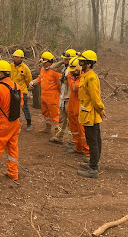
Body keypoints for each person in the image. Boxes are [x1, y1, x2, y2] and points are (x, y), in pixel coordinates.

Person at [77, 50, 106, 179]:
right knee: (95, 140)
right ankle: (93, 163)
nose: (80, 63)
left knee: (93, 141)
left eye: (82, 62)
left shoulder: (91, 78)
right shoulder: (86, 75)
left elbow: (95, 99)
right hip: (87, 114)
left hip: (91, 115)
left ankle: (93, 168)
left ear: (88, 64)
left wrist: (101, 111)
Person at [28, 51, 61, 139]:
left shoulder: (55, 72)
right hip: (44, 95)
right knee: (45, 113)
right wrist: (34, 82)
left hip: (53, 97)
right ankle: (48, 127)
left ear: (49, 62)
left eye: (44, 62)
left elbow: (60, 86)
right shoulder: (43, 69)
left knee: (54, 114)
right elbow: (40, 78)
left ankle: (57, 132)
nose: (42, 64)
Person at [49, 49, 78, 145]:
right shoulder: (65, 68)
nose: (64, 60)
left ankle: (72, 141)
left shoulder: (73, 71)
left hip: (69, 98)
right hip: (63, 97)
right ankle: (59, 137)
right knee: (62, 119)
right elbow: (51, 67)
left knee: (71, 122)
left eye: (66, 59)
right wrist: (62, 62)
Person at [66, 56, 90, 157]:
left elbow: (75, 87)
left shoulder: (84, 77)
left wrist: (70, 78)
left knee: (82, 130)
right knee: (74, 128)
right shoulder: (72, 75)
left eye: (74, 70)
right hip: (72, 105)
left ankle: (88, 152)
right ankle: (78, 147)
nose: (72, 72)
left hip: (80, 106)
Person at [9, 49, 33, 131]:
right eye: (14, 57)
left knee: (24, 108)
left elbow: (29, 81)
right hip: (11, 90)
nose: (15, 58)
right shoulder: (10, 66)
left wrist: (24, 89)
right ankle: (14, 124)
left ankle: (29, 124)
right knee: (12, 108)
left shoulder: (25, 68)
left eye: (17, 57)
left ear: (21, 58)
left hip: (22, 91)